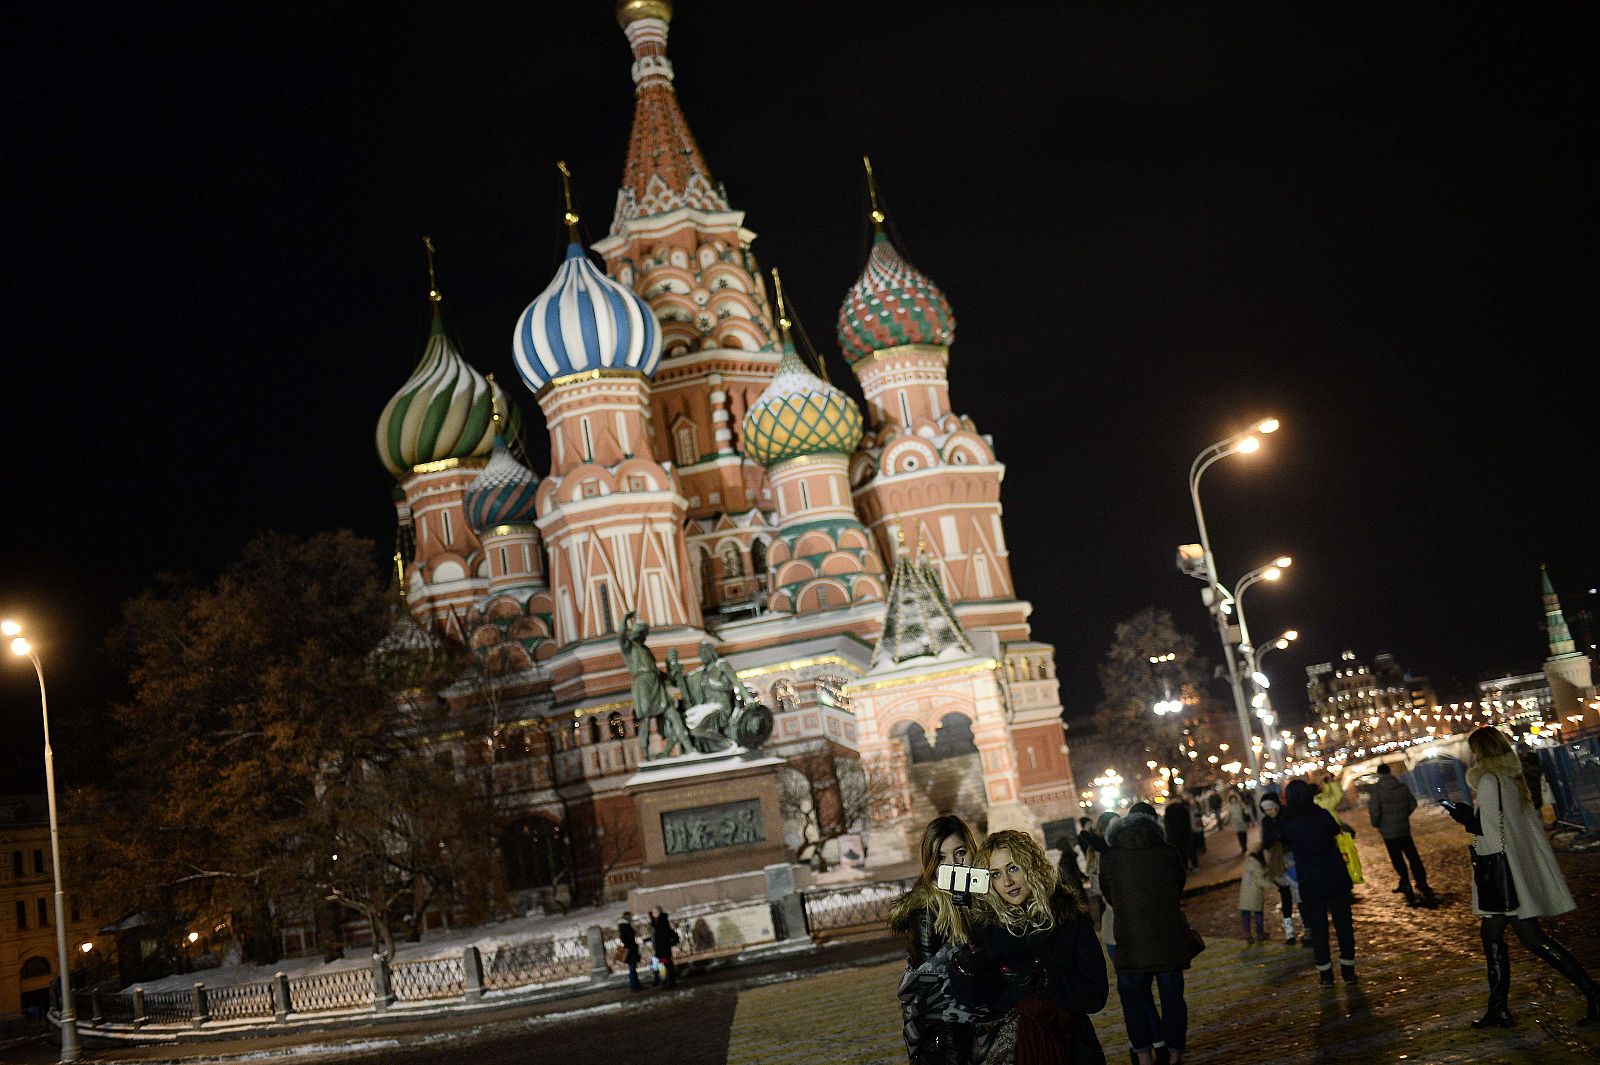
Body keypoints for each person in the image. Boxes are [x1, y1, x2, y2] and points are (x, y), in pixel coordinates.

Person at [1445, 726, 1599, 1028]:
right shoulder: (1511, 779)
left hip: (1503, 877)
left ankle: (1591, 992)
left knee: (1521, 937)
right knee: (1512, 936)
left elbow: (1489, 832)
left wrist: (1467, 820)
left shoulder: (1489, 781)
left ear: (1481, 751)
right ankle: (1499, 1008)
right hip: (1516, 870)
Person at [947, 829, 1109, 1064]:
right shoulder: (985, 927)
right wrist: (964, 968)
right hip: (1013, 1050)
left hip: (1072, 1046)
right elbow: (971, 998)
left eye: (1013, 868)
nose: (1006, 882)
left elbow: (1095, 995)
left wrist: (1045, 980)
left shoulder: (1069, 918)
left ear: (1032, 867)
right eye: (995, 874)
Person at [1100, 802, 1190, 1065]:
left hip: (1130, 940)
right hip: (1169, 939)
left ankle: (1143, 1056)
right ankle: (1175, 1055)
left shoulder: (1110, 856)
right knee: (1173, 999)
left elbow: (1110, 895)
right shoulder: (1168, 852)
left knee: (1133, 1001)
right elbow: (1178, 885)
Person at [888, 814, 980, 1064]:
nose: (953, 864)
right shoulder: (927, 911)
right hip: (949, 1041)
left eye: (960, 852)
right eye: (941, 858)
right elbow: (934, 995)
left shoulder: (981, 896)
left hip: (981, 1030)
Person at [1264, 779, 1356, 985]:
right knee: (1343, 924)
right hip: (1335, 877)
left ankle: (1325, 974)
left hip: (1310, 881)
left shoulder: (1288, 824)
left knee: (1319, 928)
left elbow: (1279, 840)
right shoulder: (1322, 815)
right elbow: (1335, 830)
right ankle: (1348, 970)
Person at [1367, 763, 1435, 907]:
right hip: (1404, 828)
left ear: (1379, 774)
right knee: (1413, 856)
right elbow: (1413, 804)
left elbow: (1375, 811)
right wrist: (1403, 816)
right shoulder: (1402, 787)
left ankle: (1405, 883)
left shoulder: (1377, 790)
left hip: (1388, 832)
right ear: (1390, 772)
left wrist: (1377, 823)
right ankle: (1422, 882)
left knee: (1397, 858)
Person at [1257, 791, 1302, 945]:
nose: (1269, 812)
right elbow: (1266, 841)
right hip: (1278, 864)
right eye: (1266, 809)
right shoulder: (1266, 822)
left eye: (1271, 808)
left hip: (1293, 861)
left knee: (1299, 894)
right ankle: (1289, 933)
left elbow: (1292, 835)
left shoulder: (1287, 815)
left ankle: (1307, 927)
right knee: (1286, 896)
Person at [1163, 794, 1197, 874]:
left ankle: (1185, 867)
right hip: (1186, 833)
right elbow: (1188, 821)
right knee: (1190, 850)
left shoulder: (1168, 810)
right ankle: (1195, 866)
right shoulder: (1183, 808)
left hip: (1175, 835)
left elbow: (1167, 824)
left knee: (1181, 852)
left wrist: (1170, 835)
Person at [648, 906, 678, 988]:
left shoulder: (661, 922)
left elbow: (663, 934)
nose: (653, 914)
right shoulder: (659, 921)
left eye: (654, 913)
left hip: (662, 947)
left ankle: (667, 981)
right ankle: (666, 981)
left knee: (664, 965)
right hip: (661, 947)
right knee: (664, 964)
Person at [618, 910, 643, 991]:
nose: (631, 918)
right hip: (630, 950)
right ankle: (634, 985)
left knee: (633, 967)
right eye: (630, 916)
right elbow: (625, 938)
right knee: (632, 968)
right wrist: (632, 946)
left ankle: (636, 984)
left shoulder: (626, 925)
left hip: (631, 949)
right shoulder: (624, 926)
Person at [1187, 794, 1206, 861]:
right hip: (1193, 825)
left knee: (1200, 836)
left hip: (1198, 823)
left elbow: (1200, 813)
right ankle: (1199, 847)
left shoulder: (1197, 807)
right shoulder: (1188, 808)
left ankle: (1202, 847)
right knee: (1196, 837)